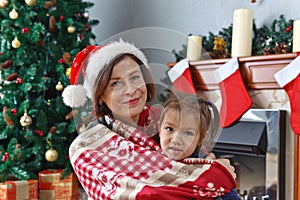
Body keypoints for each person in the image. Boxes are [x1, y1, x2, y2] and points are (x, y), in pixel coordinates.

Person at [63, 39, 237, 200]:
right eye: (115, 83)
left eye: (134, 77)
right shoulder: (86, 147)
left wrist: (212, 170)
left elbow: (201, 161)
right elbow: (149, 194)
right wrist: (213, 175)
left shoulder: (166, 120)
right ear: (99, 95)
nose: (131, 89)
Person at [157, 92, 240, 200]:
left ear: (201, 138)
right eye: (169, 129)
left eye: (188, 133)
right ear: (159, 129)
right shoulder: (151, 160)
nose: (176, 140)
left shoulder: (208, 170)